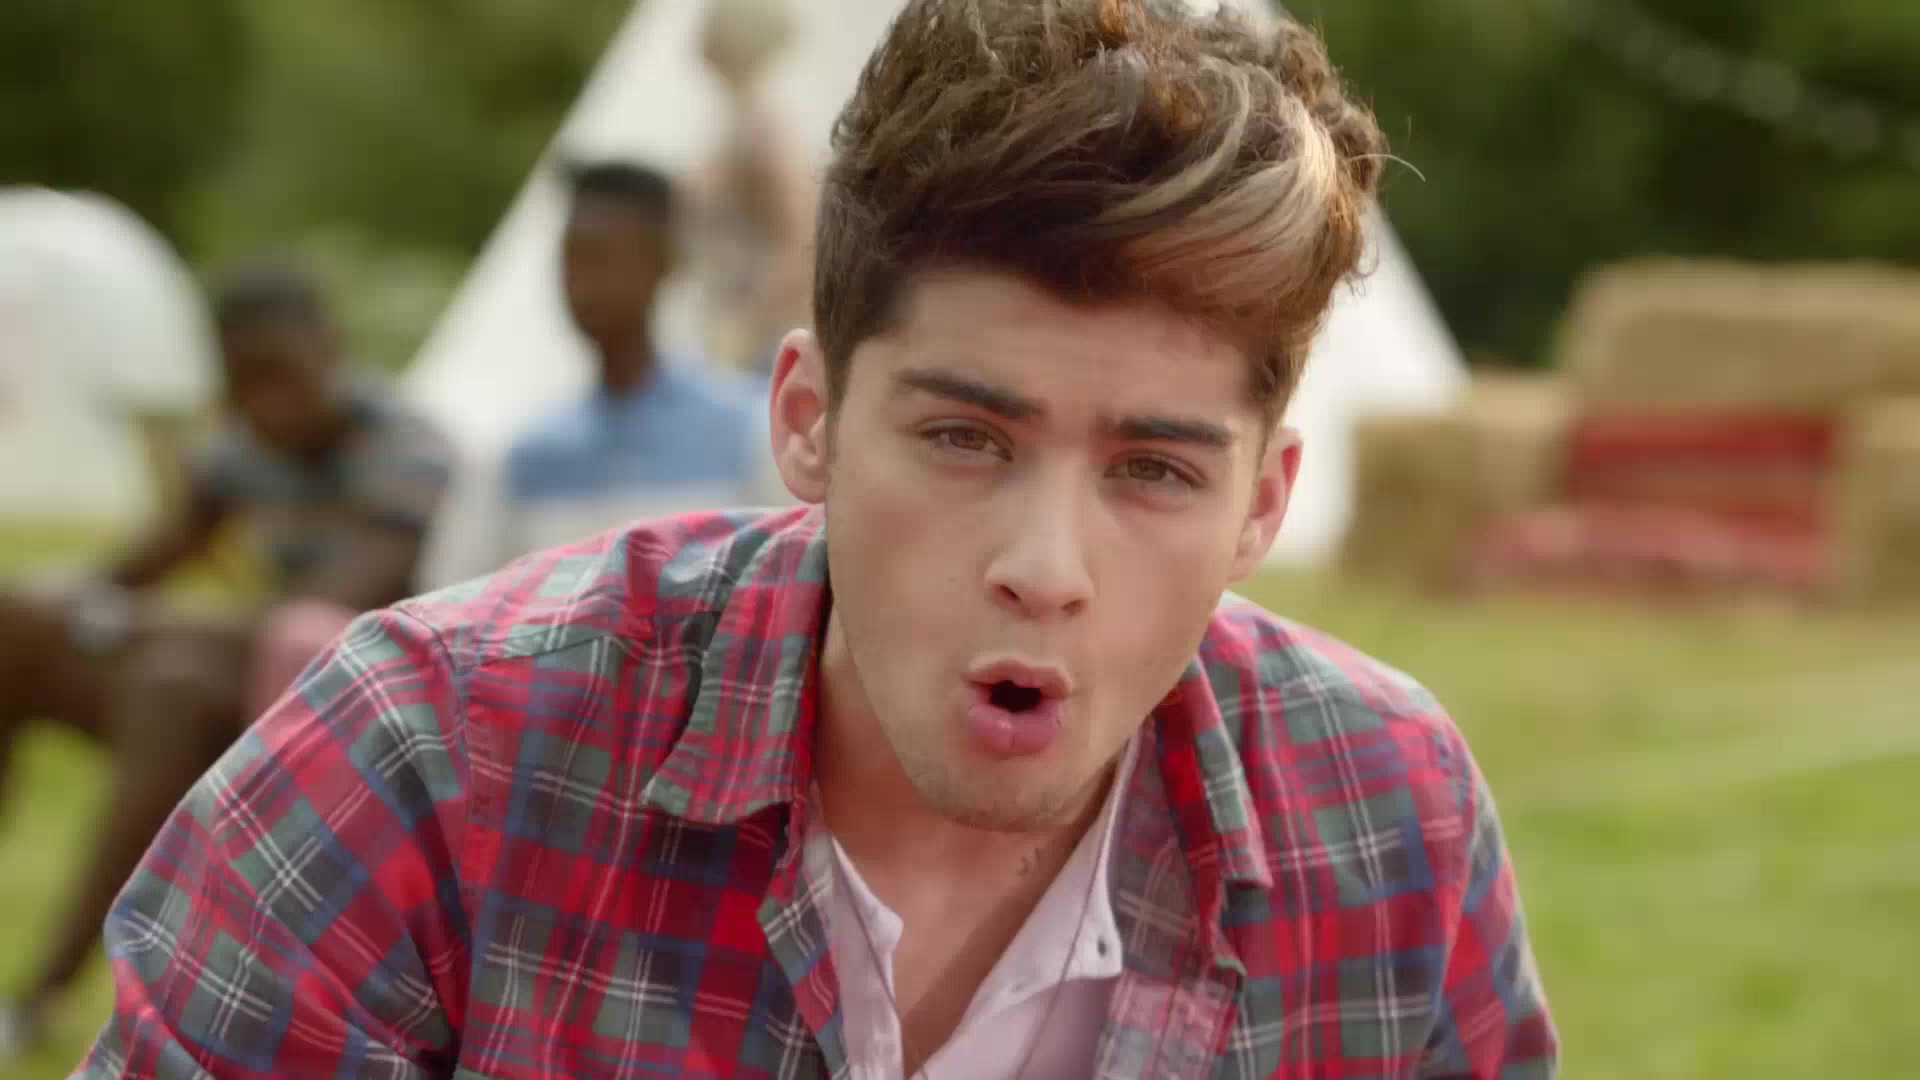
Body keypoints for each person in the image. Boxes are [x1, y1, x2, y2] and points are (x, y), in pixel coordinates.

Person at [78, 2, 1557, 1077]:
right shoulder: (428, 762)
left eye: (1155, 470)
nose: (1045, 567)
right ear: (807, 420)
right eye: (965, 439)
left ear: (1264, 504)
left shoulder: (1385, 821)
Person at [0, 261, 452, 1060]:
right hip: (245, 674)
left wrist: (143, 621)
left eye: (284, 377)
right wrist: (61, 599)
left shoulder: (406, 451)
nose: (270, 406)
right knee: (19, 625)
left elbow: (327, 614)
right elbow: (146, 562)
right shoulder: (245, 450)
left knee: (172, 684)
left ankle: (41, 997)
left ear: (329, 352)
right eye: (247, 386)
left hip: (356, 705)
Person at [491, 159, 784, 562]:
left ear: (663, 263)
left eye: (601, 257)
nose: (581, 282)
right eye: (572, 258)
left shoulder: (749, 434)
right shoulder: (525, 459)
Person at [689, 0, 815, 375]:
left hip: (761, 346)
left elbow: (800, 239)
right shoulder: (745, 115)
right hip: (744, 335)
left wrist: (747, 326)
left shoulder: (760, 125)